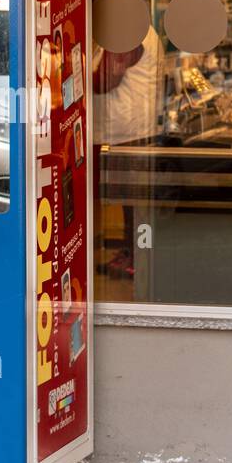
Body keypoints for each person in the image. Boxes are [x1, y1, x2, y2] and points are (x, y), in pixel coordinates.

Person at [92, 20, 162, 279]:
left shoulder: (127, 31)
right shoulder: (143, 30)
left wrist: (70, 73)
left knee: (132, 201)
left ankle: (135, 257)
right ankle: (130, 252)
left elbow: (104, 80)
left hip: (125, 131)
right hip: (133, 128)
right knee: (130, 201)